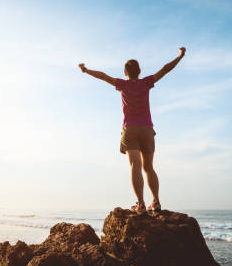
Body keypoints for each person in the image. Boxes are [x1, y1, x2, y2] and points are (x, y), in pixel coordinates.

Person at [78, 47, 186, 212]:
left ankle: (141, 204)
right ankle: (156, 202)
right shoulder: (146, 82)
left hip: (130, 129)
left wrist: (86, 70)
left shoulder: (122, 84)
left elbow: (103, 76)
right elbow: (165, 69)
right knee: (148, 167)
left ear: (125, 73)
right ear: (140, 71)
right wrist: (180, 56)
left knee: (135, 166)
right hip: (147, 129)